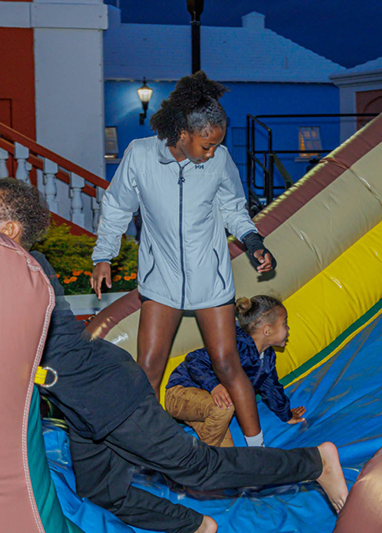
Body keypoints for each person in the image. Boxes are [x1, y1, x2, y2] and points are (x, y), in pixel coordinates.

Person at [0, 178, 348, 533]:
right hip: (83, 407)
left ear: (9, 231)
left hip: (110, 396)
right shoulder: (10, 271)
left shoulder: (26, 272)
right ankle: (196, 526)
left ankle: (316, 462)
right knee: (102, 490)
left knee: (199, 469)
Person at [91, 71, 275, 447]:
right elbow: (117, 206)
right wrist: (104, 255)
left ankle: (258, 451)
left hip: (210, 277)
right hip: (161, 278)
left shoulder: (219, 161)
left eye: (216, 145)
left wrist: (254, 241)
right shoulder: (140, 154)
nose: (212, 153)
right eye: (206, 145)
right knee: (149, 366)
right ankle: (145, 448)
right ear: (183, 133)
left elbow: (233, 208)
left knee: (226, 362)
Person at [165, 295, 305, 447]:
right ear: (267, 330)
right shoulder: (234, 346)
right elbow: (194, 359)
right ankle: (201, 457)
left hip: (210, 408)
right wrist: (214, 386)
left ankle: (204, 456)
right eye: (285, 323)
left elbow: (271, 389)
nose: (288, 329)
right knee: (225, 406)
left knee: (227, 455)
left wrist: (287, 415)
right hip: (180, 393)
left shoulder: (267, 357)